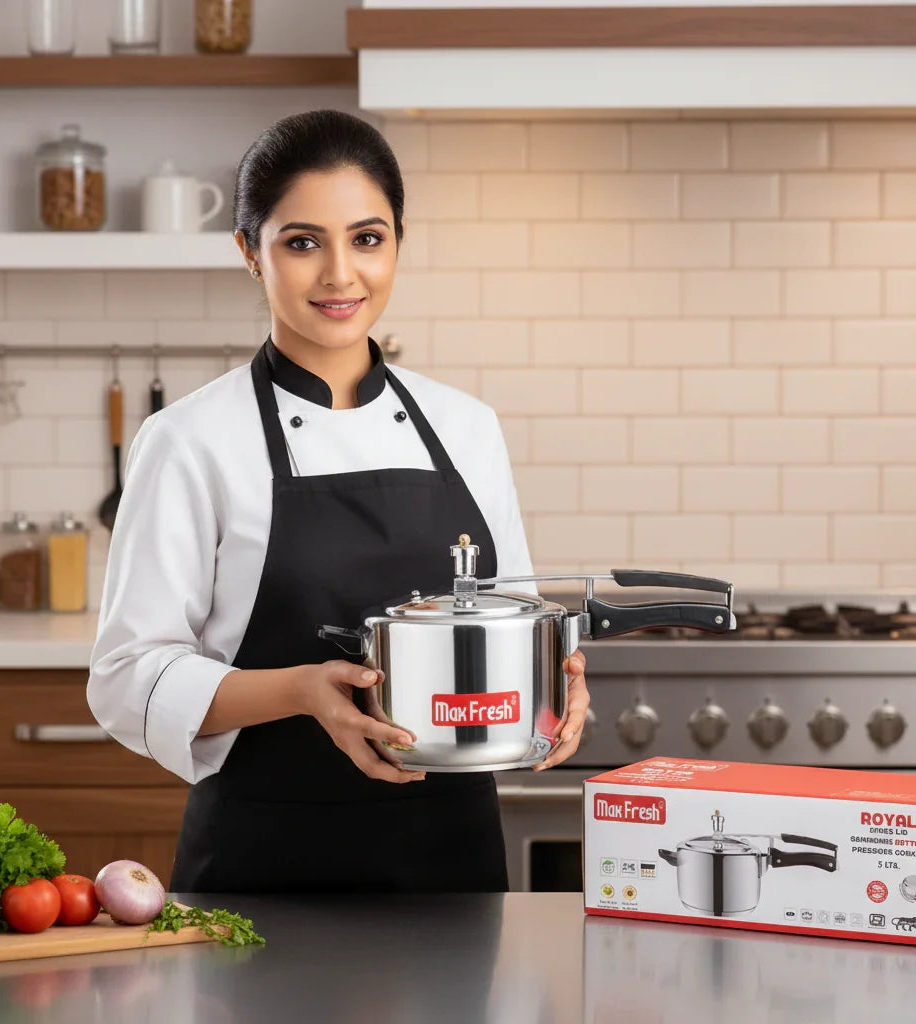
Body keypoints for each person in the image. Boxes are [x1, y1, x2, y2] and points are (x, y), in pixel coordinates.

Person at [87, 109, 589, 893]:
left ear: (398, 243)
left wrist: (551, 680)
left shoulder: (466, 427)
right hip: (265, 872)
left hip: (452, 866)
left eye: (366, 238)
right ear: (250, 253)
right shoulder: (189, 439)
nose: (340, 276)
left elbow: (509, 614)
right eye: (301, 242)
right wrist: (298, 689)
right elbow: (125, 677)